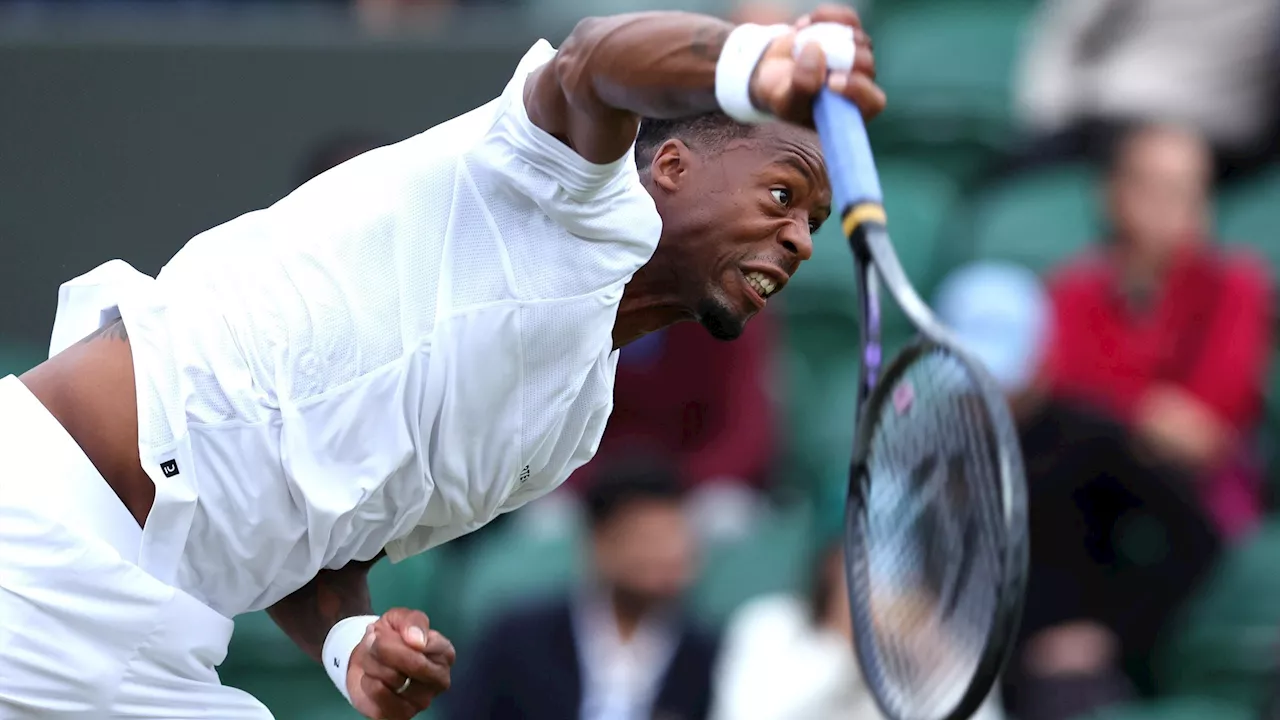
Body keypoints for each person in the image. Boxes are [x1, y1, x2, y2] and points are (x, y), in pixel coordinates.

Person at [0, 6, 885, 720]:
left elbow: (324, 548)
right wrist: (761, 59)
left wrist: (352, 644)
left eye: (813, 218)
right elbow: (593, 56)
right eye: (782, 194)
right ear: (670, 165)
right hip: (37, 526)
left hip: (151, 624)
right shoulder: (562, 185)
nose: (801, 238)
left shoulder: (571, 429)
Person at [1003, 124, 1273, 720]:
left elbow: (1213, 419)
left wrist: (1122, 405)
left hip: (1190, 515)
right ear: (1116, 195)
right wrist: (1151, 410)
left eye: (1191, 190)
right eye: (1158, 187)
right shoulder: (1073, 291)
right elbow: (1070, 392)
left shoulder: (1237, 287)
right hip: (1092, 508)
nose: (1177, 208)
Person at [445, 455, 718, 720]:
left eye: (675, 536)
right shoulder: (517, 642)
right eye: (647, 538)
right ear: (598, 542)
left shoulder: (704, 655)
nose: (666, 554)